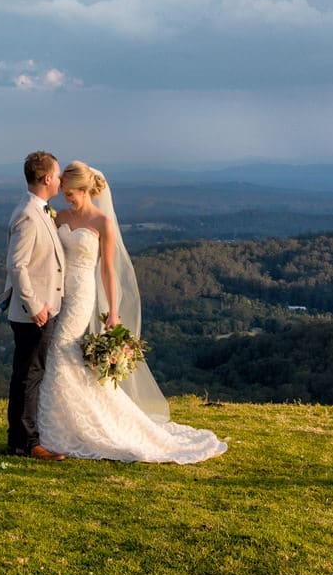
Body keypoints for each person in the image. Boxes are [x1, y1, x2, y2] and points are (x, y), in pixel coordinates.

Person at [36, 161, 227, 463]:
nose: (66, 198)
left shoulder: (102, 222)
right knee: (59, 355)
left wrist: (113, 312)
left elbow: (109, 271)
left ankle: (61, 429)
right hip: (58, 293)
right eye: (65, 193)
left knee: (59, 351)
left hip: (82, 294)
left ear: (85, 190)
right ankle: (62, 422)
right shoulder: (59, 216)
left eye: (71, 193)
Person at [0, 150, 67, 460]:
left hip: (40, 309)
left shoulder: (40, 210)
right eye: (58, 173)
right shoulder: (28, 213)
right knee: (29, 375)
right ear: (48, 178)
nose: (62, 179)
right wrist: (35, 305)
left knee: (29, 373)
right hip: (33, 314)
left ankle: (19, 441)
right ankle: (27, 443)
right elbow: (17, 265)